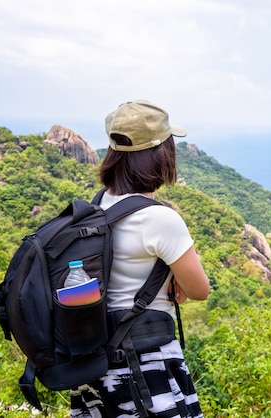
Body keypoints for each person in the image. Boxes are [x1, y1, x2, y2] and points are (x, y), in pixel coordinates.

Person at [69, 100, 210, 417]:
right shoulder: (160, 220)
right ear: (161, 155)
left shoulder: (94, 209)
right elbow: (199, 290)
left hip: (94, 366)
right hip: (148, 366)